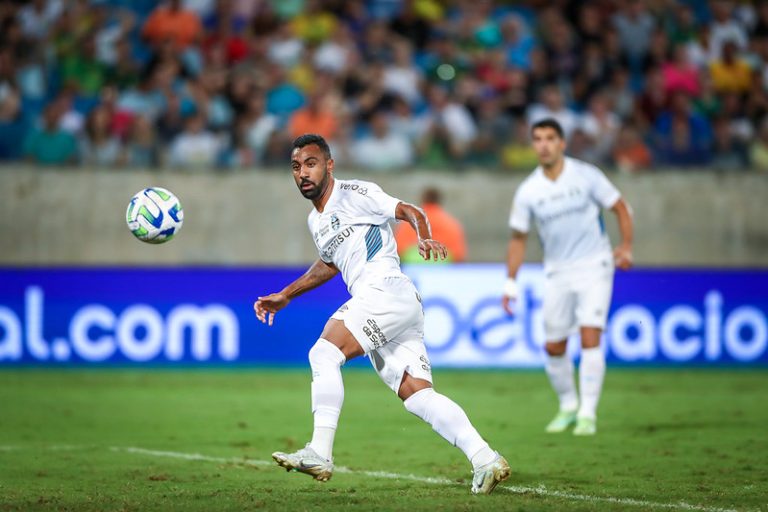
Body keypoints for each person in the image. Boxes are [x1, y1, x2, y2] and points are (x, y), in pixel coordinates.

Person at [254, 134, 509, 495]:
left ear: (329, 165)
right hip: (395, 303)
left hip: (384, 289)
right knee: (417, 395)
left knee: (324, 353)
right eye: (296, 167)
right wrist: (286, 295)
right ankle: (486, 458)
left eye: (310, 164)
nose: (302, 174)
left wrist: (423, 236)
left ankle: (319, 452)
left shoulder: (355, 193)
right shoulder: (317, 221)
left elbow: (409, 211)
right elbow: (330, 263)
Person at [502, 119, 634, 436]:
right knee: (553, 346)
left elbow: (620, 207)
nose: (544, 144)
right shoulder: (528, 191)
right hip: (557, 272)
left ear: (562, 143)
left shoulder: (585, 175)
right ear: (533, 145)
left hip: (595, 265)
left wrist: (626, 246)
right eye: (538, 139)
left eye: (550, 138)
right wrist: (510, 281)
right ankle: (568, 406)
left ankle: (588, 413)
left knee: (590, 336)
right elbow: (518, 238)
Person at [394, 186, 466, 263]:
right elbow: (459, 254)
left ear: (422, 199)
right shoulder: (450, 222)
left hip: (414, 264)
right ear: (439, 200)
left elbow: (398, 249)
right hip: (443, 265)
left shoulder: (408, 221)